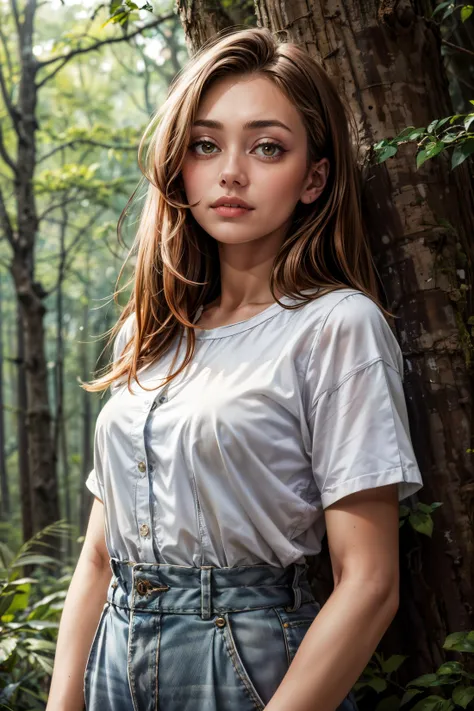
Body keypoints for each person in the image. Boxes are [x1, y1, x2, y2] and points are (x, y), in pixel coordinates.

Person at [46, 25, 424, 711]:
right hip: (112, 658)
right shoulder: (151, 332)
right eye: (206, 144)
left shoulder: (336, 326)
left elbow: (368, 581)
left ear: (314, 178)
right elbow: (99, 558)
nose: (231, 173)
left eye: (267, 147)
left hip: (249, 663)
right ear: (179, 164)